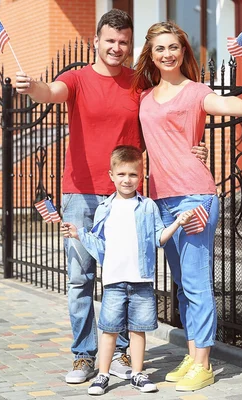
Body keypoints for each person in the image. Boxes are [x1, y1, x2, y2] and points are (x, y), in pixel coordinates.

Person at [14, 10, 207, 384]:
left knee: (130, 277)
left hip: (129, 197)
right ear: (96, 43)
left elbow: (171, 117)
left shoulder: (139, 85)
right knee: (81, 277)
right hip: (82, 193)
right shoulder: (77, 78)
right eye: (110, 41)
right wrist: (30, 86)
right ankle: (84, 356)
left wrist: (194, 149)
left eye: (123, 42)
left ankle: (119, 354)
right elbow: (49, 92)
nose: (117, 48)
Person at [131, 21, 242, 392]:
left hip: (194, 195)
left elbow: (222, 103)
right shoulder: (144, 97)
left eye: (173, 47)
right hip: (161, 199)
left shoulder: (196, 91)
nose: (167, 54)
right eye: (160, 48)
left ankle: (204, 364)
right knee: (181, 286)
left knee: (196, 284)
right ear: (151, 53)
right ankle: (193, 356)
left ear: (183, 52)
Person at [61, 145, 193, 395]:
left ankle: (138, 373)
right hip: (113, 281)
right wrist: (78, 234)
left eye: (132, 174)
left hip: (141, 280)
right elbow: (100, 245)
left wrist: (176, 223)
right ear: (111, 175)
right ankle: (102, 375)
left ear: (141, 176)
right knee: (109, 329)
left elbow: (158, 238)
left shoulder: (148, 207)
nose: (127, 180)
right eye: (121, 174)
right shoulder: (105, 208)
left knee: (138, 330)